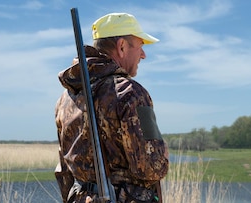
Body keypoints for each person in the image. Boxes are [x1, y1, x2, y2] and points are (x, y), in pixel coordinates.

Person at [54, 13, 169, 203]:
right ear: (122, 46)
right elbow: (151, 168)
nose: (143, 55)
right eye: (140, 47)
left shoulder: (65, 99)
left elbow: (64, 172)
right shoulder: (132, 94)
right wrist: (162, 153)